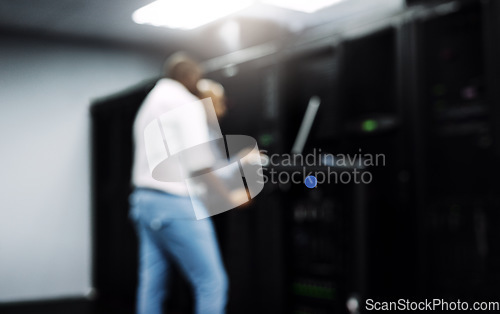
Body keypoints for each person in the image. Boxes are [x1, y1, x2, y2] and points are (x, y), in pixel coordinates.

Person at [130, 53, 238, 314]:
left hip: (143, 202)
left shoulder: (149, 103)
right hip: (175, 203)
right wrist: (228, 198)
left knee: (152, 285)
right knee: (212, 283)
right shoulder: (185, 102)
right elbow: (199, 164)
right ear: (189, 77)